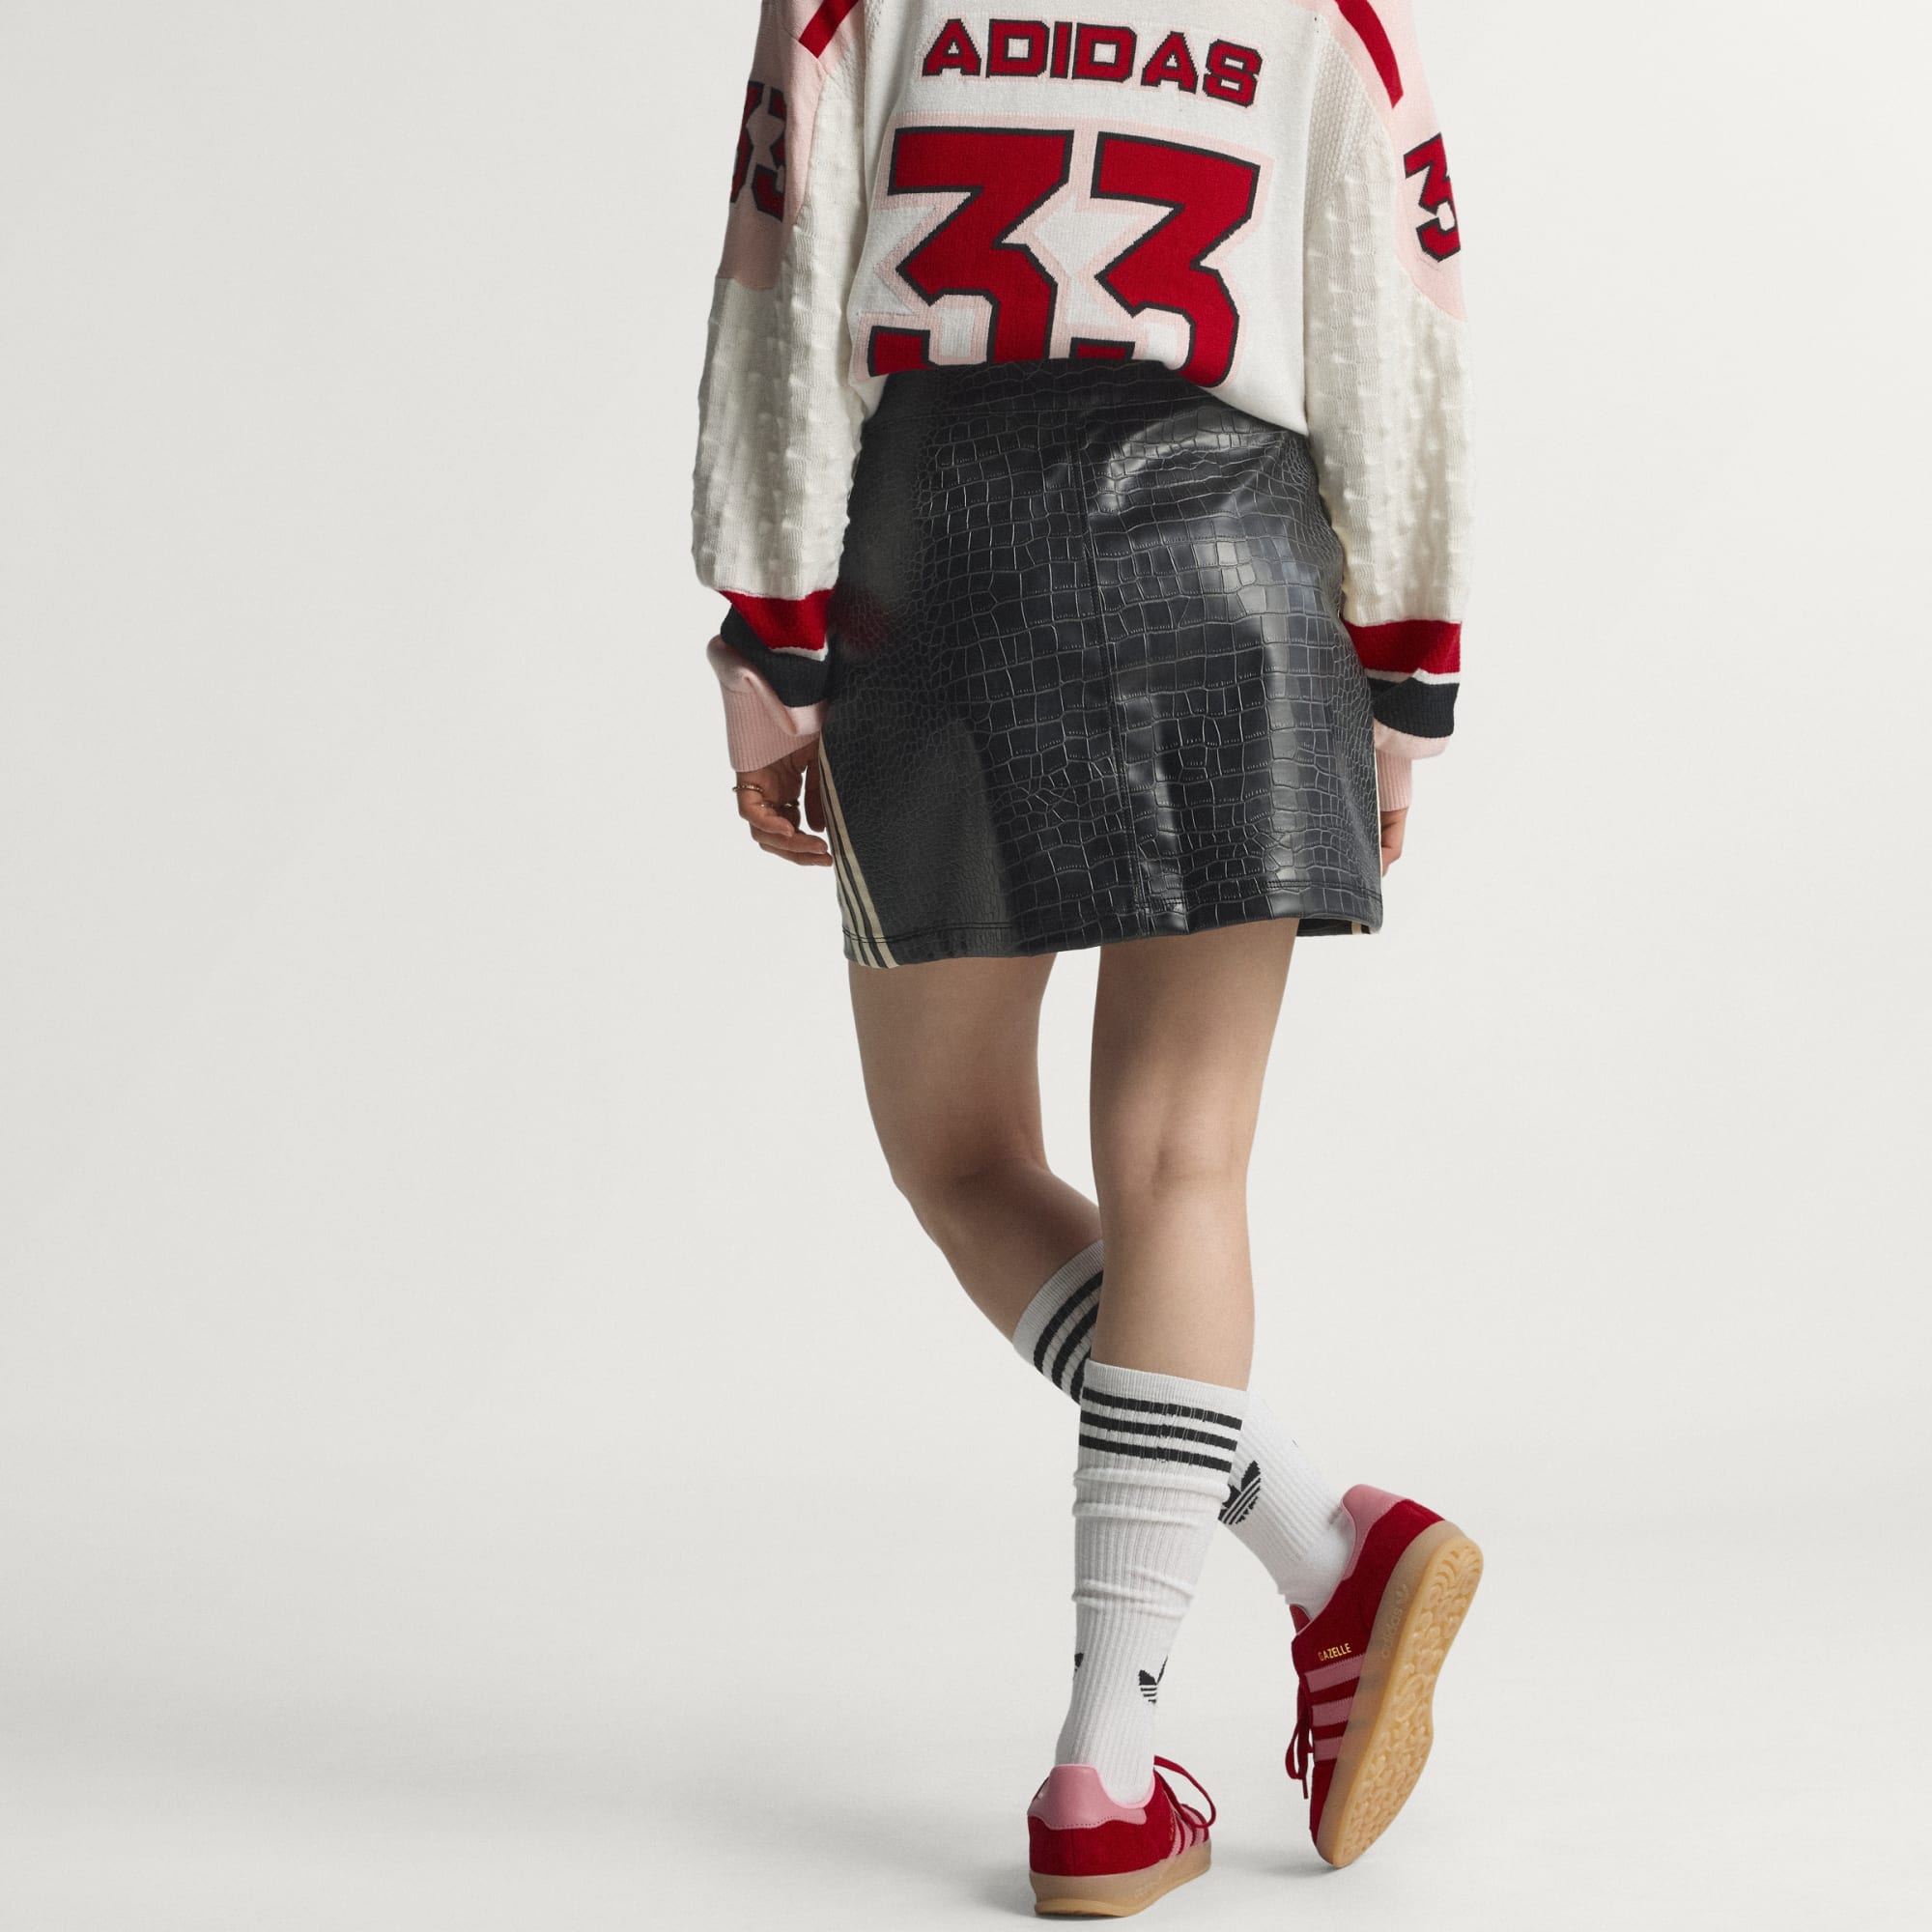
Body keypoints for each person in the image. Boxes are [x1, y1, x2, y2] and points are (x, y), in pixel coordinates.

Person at [691, 2, 1481, 1914]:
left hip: (936, 566)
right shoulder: (1321, 14)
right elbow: (1396, 339)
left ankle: (1306, 1570)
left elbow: (778, 301)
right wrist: (1402, 684)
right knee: (1180, 1163)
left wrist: (767, 635)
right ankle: (1132, 1742)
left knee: (959, 1155)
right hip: (1235, 570)